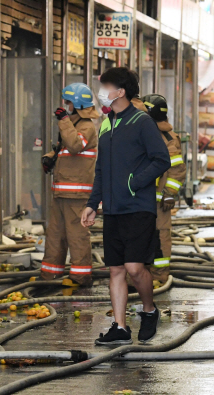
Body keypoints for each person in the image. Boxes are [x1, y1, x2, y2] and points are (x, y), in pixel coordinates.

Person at [82, 67, 170, 345]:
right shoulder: (107, 124)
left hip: (138, 207)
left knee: (134, 268)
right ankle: (120, 327)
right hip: (113, 210)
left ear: (120, 92)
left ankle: (149, 310)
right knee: (116, 269)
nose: (101, 93)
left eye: (105, 86)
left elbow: (161, 159)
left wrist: (134, 183)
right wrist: (92, 204)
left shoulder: (142, 121)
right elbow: (101, 169)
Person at [39, 83, 101, 287]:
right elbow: (63, 149)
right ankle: (50, 275)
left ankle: (81, 276)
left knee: (77, 235)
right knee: (55, 234)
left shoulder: (86, 126)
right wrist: (50, 158)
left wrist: (64, 121)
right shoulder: (72, 124)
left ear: (77, 104)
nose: (65, 106)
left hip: (77, 193)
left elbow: (75, 145)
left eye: (68, 103)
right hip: (62, 191)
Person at [141, 94, 186, 283]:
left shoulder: (167, 139)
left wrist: (168, 194)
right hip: (141, 197)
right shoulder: (144, 133)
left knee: (160, 237)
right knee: (139, 236)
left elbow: (177, 169)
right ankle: (137, 276)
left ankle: (158, 276)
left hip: (159, 201)